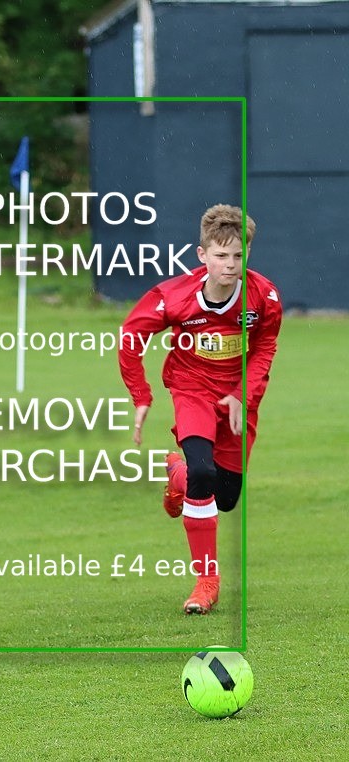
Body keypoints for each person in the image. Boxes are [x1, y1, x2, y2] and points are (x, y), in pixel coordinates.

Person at [118, 204, 282, 614]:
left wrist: (243, 394)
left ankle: (178, 474)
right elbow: (130, 339)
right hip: (191, 388)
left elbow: (265, 347)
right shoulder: (172, 297)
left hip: (238, 399)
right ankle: (206, 583)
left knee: (224, 497)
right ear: (202, 254)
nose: (230, 264)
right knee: (204, 474)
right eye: (221, 255)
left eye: (238, 255)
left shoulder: (264, 296)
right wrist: (141, 396)